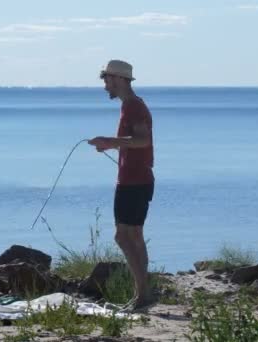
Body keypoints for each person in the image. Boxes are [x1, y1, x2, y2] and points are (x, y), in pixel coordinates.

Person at [88, 60, 155, 310]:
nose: (105, 85)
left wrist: (108, 141)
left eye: (107, 80)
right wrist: (110, 143)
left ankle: (142, 295)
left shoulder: (133, 106)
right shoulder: (131, 106)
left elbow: (142, 140)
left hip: (133, 181)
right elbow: (136, 141)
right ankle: (143, 294)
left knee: (123, 236)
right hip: (138, 179)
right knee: (134, 235)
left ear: (118, 79)